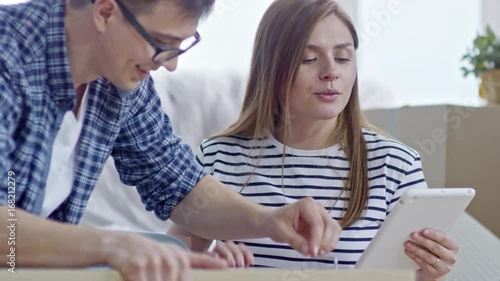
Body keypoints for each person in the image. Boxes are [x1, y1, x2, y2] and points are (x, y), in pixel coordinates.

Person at [0, 0, 342, 280]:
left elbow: (180, 185)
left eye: (181, 46)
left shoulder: (119, 81)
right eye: (162, 43)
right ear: (105, 12)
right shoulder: (8, 55)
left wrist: (267, 220)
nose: (171, 65)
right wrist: (111, 245)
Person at [167, 0, 459, 280]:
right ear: (273, 69)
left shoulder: (396, 164)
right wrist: (208, 271)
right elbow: (172, 263)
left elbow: (411, 277)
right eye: (309, 59)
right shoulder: (220, 156)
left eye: (343, 58)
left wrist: (430, 275)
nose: (331, 72)